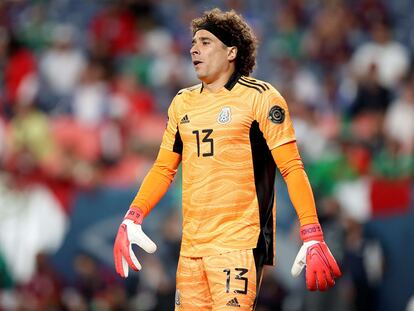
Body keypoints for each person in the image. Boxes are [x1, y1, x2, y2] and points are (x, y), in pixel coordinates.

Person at [113, 8, 341, 310]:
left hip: (240, 243)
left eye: (206, 42)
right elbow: (163, 168)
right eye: (193, 42)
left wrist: (311, 232)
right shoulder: (182, 102)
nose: (194, 48)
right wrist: (133, 215)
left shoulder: (261, 97)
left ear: (231, 51)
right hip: (192, 245)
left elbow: (292, 167)